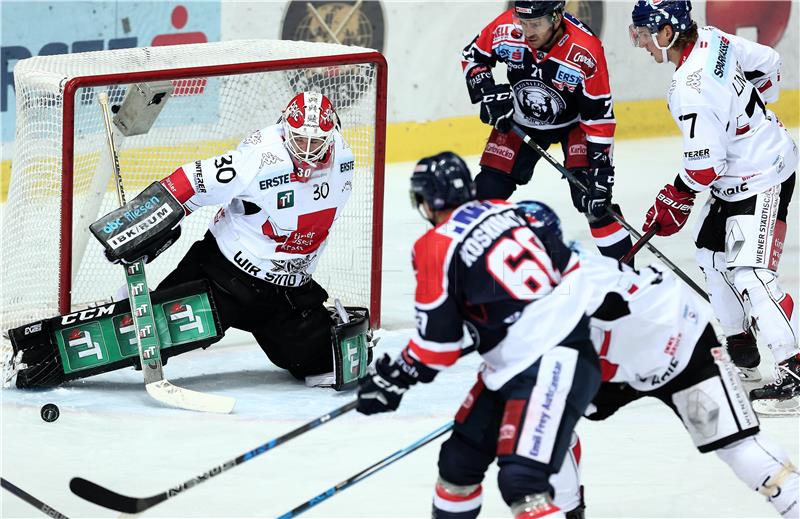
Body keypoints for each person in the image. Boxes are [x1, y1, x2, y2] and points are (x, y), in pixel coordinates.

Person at [5, 91, 372, 390]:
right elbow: (191, 181)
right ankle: (37, 352)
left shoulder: (344, 158)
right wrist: (137, 225)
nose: (309, 152)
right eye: (301, 141)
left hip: (286, 292)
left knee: (325, 360)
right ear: (283, 132)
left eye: (317, 142)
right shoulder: (260, 157)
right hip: (223, 277)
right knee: (141, 335)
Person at [356, 152, 601, 519]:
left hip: (550, 361)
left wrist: (398, 377)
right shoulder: (510, 210)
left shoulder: (435, 246)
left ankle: (568, 511)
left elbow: (437, 347)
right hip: (536, 359)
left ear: (427, 201)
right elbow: (570, 267)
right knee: (459, 464)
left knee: (523, 481)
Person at [518, 200, 800, 518]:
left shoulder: (550, 289)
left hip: (666, 353)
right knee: (739, 446)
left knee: (549, 421)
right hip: (677, 342)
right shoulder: (572, 265)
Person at [630, 0, 800, 414]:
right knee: (709, 254)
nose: (639, 44)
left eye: (643, 34)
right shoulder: (711, 40)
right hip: (739, 175)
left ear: (666, 33)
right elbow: (770, 63)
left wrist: (676, 195)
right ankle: (743, 350)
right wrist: (747, 120)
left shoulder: (690, 88)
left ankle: (795, 375)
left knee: (751, 273)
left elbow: (704, 167)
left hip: (761, 177)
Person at [461, 1, 633, 262]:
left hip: (574, 125)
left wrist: (602, 173)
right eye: (524, 22)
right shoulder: (507, 27)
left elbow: (598, 116)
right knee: (485, 194)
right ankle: (469, 275)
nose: (528, 31)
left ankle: (626, 279)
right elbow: (473, 56)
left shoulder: (585, 50)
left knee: (594, 201)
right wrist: (487, 92)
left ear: (556, 17)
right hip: (520, 119)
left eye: (536, 24)